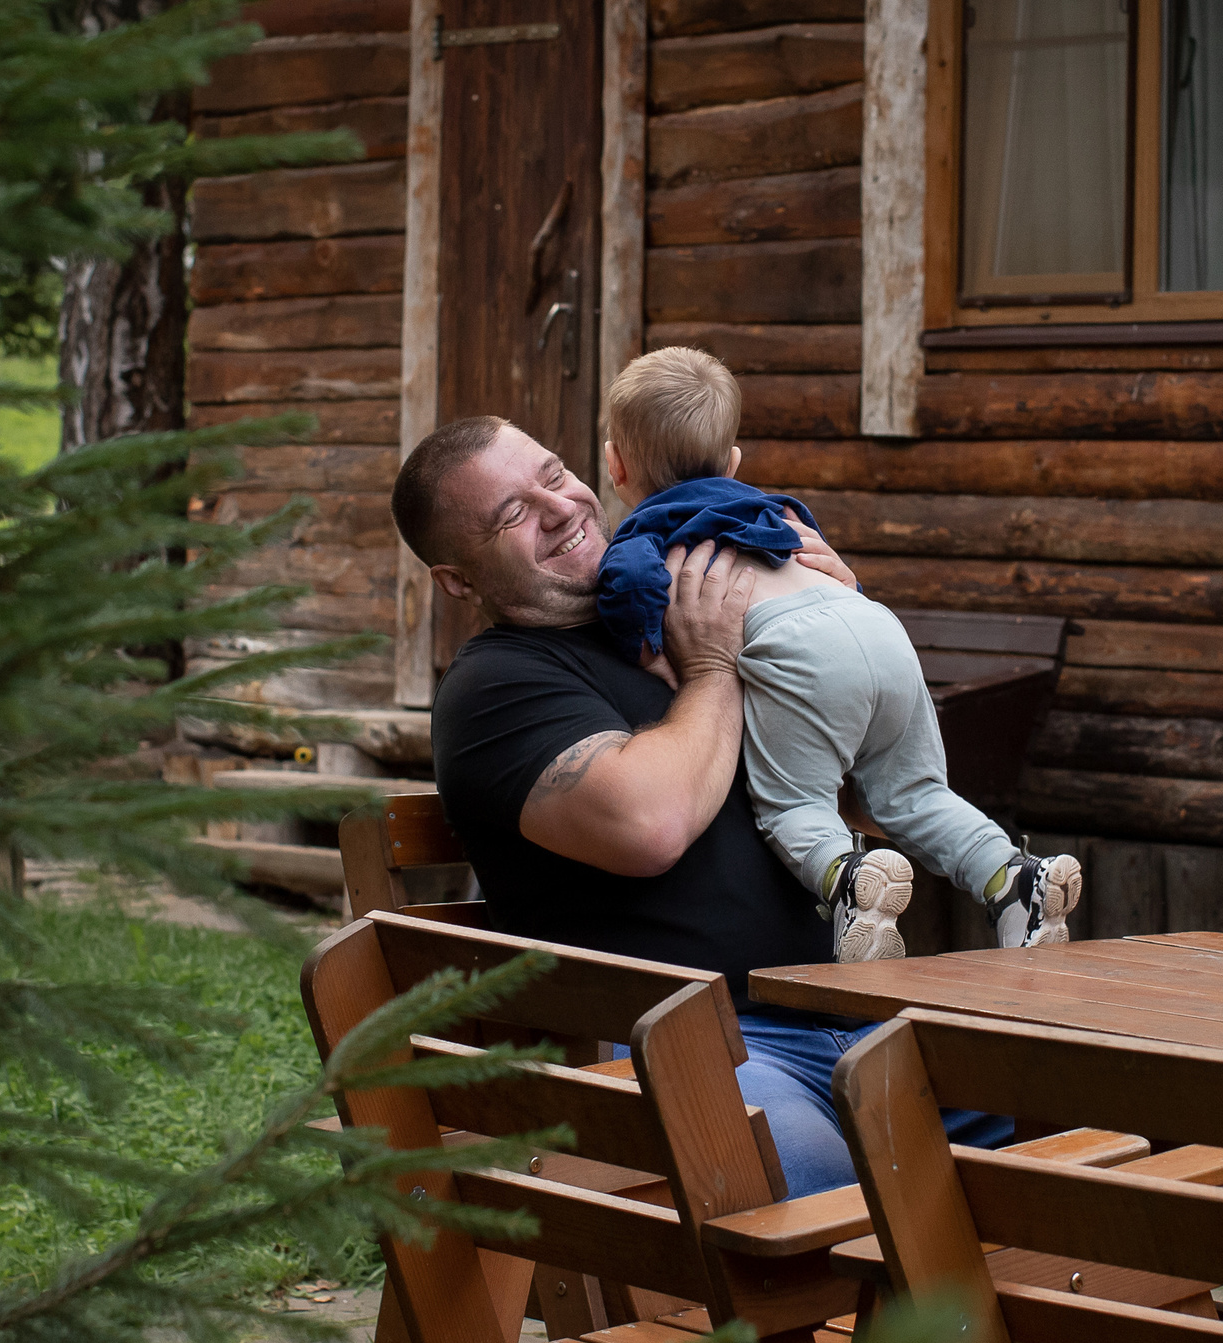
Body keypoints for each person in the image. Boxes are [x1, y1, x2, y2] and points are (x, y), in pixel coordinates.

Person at [390, 413, 1009, 1197]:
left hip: (862, 1014)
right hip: (710, 1046)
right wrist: (717, 667)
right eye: (512, 514)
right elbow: (652, 824)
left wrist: (831, 623)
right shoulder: (497, 686)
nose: (558, 508)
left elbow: (870, 792)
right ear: (458, 578)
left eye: (552, 475)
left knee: (1083, 1139)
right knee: (850, 1212)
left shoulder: (675, 607)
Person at [593, 346, 1080, 961]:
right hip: (874, 626)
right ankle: (1014, 880)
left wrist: (649, 655)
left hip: (796, 649)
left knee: (796, 804)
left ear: (615, 465)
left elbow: (630, 587)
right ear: (735, 462)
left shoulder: (648, 531)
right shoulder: (778, 510)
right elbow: (812, 551)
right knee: (915, 794)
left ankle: (852, 885)